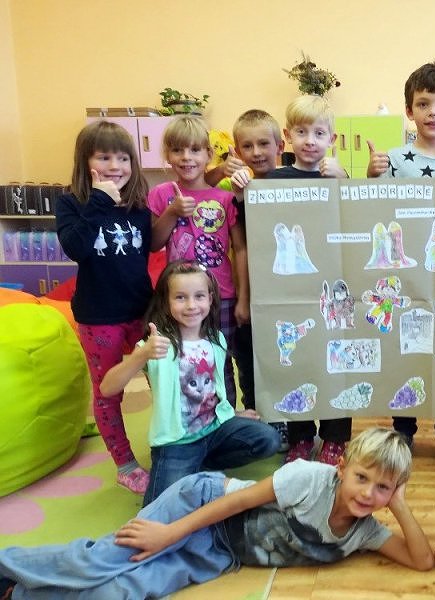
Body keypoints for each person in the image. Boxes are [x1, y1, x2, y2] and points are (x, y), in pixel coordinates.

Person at [0, 428, 434, 599]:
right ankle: (6, 564)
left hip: (220, 551)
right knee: (106, 559)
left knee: (120, 592)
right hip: (201, 504)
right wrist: (168, 534)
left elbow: (421, 561)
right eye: (362, 478)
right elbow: (236, 502)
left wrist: (398, 504)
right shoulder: (310, 477)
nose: (368, 493)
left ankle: (16, 594)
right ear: (342, 469)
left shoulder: (363, 532)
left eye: (383, 487)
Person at [366, 59, 435, 471]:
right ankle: (403, 429)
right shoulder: (395, 159)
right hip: (404, 270)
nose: (433, 112)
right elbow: (373, 210)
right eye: (423, 103)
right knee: (406, 346)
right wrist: (373, 177)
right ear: (409, 110)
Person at [100, 260, 281, 505]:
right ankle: (188, 466)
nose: (192, 305)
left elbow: (213, 390)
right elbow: (107, 388)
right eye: (180, 297)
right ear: (166, 302)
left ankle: (199, 465)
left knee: (268, 439)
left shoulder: (216, 339)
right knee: (160, 511)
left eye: (199, 296)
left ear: (210, 299)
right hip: (178, 443)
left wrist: (232, 413)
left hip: (215, 430)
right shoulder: (156, 345)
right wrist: (140, 355)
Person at [55, 120, 170, 495]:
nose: (115, 166)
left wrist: (170, 214)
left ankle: (169, 445)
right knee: (109, 392)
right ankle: (124, 463)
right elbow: (76, 248)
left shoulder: (137, 206)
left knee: (163, 378)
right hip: (99, 317)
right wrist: (100, 201)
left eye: (123, 158)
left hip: (141, 311)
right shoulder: (71, 203)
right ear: (85, 161)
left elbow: (151, 245)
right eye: (104, 157)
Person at [265, 94, 351, 466]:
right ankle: (300, 436)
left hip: (332, 285)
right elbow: (257, 222)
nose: (310, 141)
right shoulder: (273, 180)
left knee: (334, 359)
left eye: (319, 133)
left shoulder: (338, 177)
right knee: (298, 359)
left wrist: (344, 181)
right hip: (290, 290)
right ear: (287, 136)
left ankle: (335, 437)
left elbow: (356, 219)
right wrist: (239, 185)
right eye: (301, 132)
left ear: (332, 139)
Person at [147, 115, 247, 410]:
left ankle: (225, 418)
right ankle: (193, 420)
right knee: (185, 362)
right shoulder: (162, 195)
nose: (186, 157)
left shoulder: (225, 198)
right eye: (177, 150)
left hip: (221, 296)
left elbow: (240, 249)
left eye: (194, 150)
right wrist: (172, 213)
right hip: (177, 298)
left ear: (208, 155)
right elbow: (153, 243)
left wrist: (242, 298)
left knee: (222, 362)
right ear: (168, 155)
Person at [223, 109, 289, 451]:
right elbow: (242, 248)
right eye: (247, 146)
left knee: (285, 357)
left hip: (288, 294)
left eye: (264, 143)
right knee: (249, 362)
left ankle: (290, 423)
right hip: (252, 292)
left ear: (280, 145)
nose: (257, 152)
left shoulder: (292, 183)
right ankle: (258, 422)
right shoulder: (234, 190)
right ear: (237, 151)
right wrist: (244, 299)